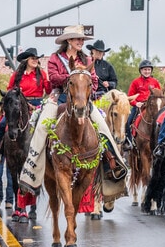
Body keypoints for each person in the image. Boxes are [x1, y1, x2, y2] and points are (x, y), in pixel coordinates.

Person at [19, 25, 128, 193]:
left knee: (103, 127)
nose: (81, 42)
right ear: (69, 40)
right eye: (78, 39)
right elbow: (54, 78)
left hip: (83, 100)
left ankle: (112, 165)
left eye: (82, 39)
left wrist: (83, 80)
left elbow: (95, 81)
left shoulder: (87, 59)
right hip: (60, 97)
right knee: (40, 125)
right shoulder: (56, 58)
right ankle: (31, 171)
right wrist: (73, 76)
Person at [0, 47, 50, 161]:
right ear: (26, 60)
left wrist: (47, 81)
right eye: (33, 58)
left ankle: (50, 150)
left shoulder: (42, 74)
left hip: (37, 102)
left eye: (37, 58)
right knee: (3, 124)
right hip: (19, 103)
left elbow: (48, 91)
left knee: (48, 124)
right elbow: (9, 90)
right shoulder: (17, 74)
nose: (35, 60)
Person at [123, 59, 162, 151]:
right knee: (128, 121)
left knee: (160, 121)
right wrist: (136, 103)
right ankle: (128, 141)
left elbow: (159, 95)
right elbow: (130, 97)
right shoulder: (135, 82)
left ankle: (161, 142)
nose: (147, 71)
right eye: (145, 69)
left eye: (149, 69)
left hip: (152, 107)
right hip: (139, 106)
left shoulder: (155, 82)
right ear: (141, 70)